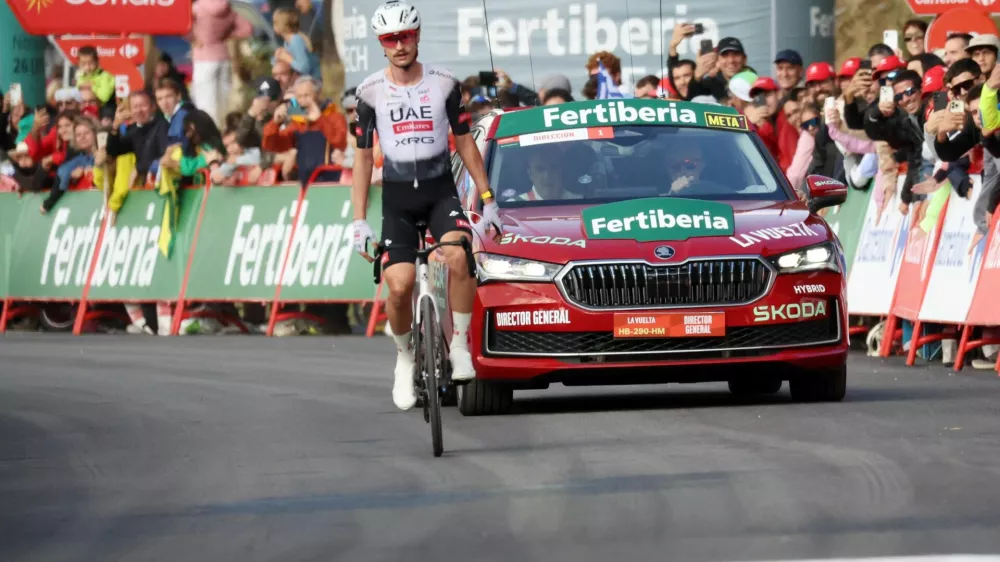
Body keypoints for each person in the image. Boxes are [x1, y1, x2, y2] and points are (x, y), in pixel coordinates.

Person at [349, 0, 500, 411]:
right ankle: (403, 357)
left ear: (417, 36)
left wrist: (487, 199)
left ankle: (460, 345)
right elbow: (362, 159)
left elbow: (466, 143)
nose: (399, 45)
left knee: (457, 256)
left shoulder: (446, 83)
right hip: (397, 201)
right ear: (382, 43)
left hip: (439, 192)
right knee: (397, 287)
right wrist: (359, 220)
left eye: (406, 36)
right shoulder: (368, 92)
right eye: (390, 39)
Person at [261, 76, 347, 184]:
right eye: (299, 97)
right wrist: (275, 123)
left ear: (318, 94)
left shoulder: (335, 117)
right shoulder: (298, 122)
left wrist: (319, 120)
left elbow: (340, 142)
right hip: (304, 183)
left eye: (306, 96)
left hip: (330, 182)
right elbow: (271, 145)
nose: (302, 101)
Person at [190, 0, 252, 127]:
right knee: (224, 100)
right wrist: (228, 35)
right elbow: (247, 28)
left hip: (203, 57)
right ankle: (225, 131)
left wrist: (193, 38)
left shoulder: (196, 8)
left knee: (205, 101)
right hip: (224, 58)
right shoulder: (228, 7)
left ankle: (210, 136)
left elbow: (181, 26)